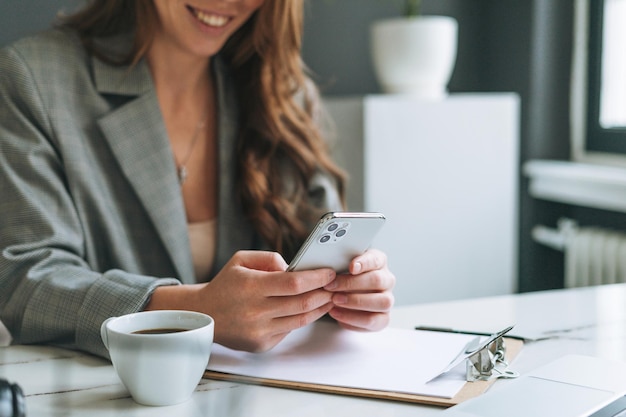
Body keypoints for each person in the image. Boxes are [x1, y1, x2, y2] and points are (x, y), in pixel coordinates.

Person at [0, 0, 395, 359]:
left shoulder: (283, 96)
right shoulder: (34, 78)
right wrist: (196, 309)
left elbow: (323, 243)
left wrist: (355, 289)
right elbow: (25, 281)